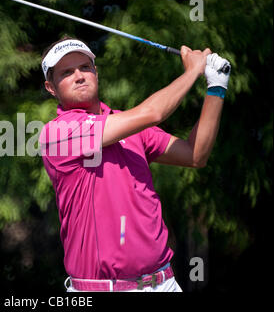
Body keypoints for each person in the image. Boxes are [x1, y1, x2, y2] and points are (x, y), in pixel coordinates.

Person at [38, 36, 231, 292]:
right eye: (66, 72)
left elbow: (195, 155)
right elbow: (154, 113)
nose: (79, 76)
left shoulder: (128, 125)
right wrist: (193, 70)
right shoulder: (58, 134)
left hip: (164, 283)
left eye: (85, 67)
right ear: (51, 88)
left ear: (96, 72)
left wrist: (216, 86)